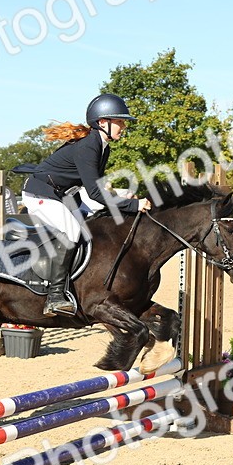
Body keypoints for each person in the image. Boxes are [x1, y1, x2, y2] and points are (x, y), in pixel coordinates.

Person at [22, 92, 152, 316]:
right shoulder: (88, 146)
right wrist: (132, 206)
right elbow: (95, 193)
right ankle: (55, 296)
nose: (123, 126)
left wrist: (124, 196)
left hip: (64, 195)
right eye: (119, 121)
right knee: (72, 231)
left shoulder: (103, 146)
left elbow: (95, 189)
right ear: (103, 122)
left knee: (95, 219)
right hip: (39, 194)